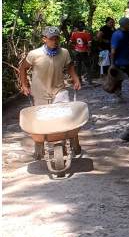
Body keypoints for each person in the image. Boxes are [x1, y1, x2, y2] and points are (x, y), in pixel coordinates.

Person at [17, 26, 82, 159]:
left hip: (59, 90)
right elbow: (23, 68)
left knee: (65, 117)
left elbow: (70, 66)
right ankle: (39, 147)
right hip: (40, 92)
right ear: (44, 39)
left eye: (57, 38)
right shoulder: (34, 54)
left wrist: (75, 79)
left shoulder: (64, 53)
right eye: (52, 39)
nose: (55, 41)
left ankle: (71, 142)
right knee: (42, 121)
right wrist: (24, 85)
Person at [110, 17, 129, 101]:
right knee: (119, 80)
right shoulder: (116, 35)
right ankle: (119, 96)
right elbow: (113, 51)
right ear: (125, 24)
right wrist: (112, 64)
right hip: (120, 62)